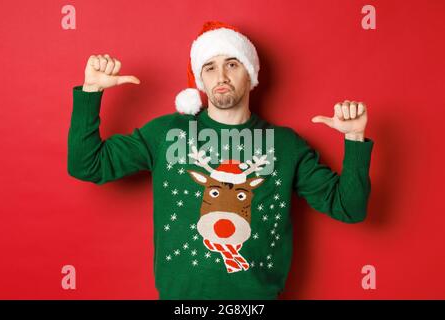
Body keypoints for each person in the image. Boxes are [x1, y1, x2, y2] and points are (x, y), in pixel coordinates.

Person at [68, 20, 374, 300]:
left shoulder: (285, 145)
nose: (222, 76)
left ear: (251, 73)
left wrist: (355, 139)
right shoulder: (167, 133)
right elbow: (87, 164)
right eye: (210, 67)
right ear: (200, 77)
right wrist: (91, 90)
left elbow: (349, 208)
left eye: (232, 63)